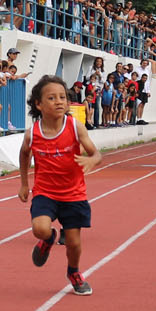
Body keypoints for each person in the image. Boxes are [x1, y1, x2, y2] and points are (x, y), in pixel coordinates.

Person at [19, 74, 100, 296]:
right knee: (40, 228)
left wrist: (92, 160)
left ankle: (73, 272)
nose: (59, 101)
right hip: (45, 192)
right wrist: (24, 184)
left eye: (63, 97)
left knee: (73, 243)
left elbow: (96, 153)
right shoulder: (33, 133)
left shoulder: (75, 127)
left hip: (74, 194)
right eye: (52, 98)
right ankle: (47, 240)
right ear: (38, 104)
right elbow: (24, 154)